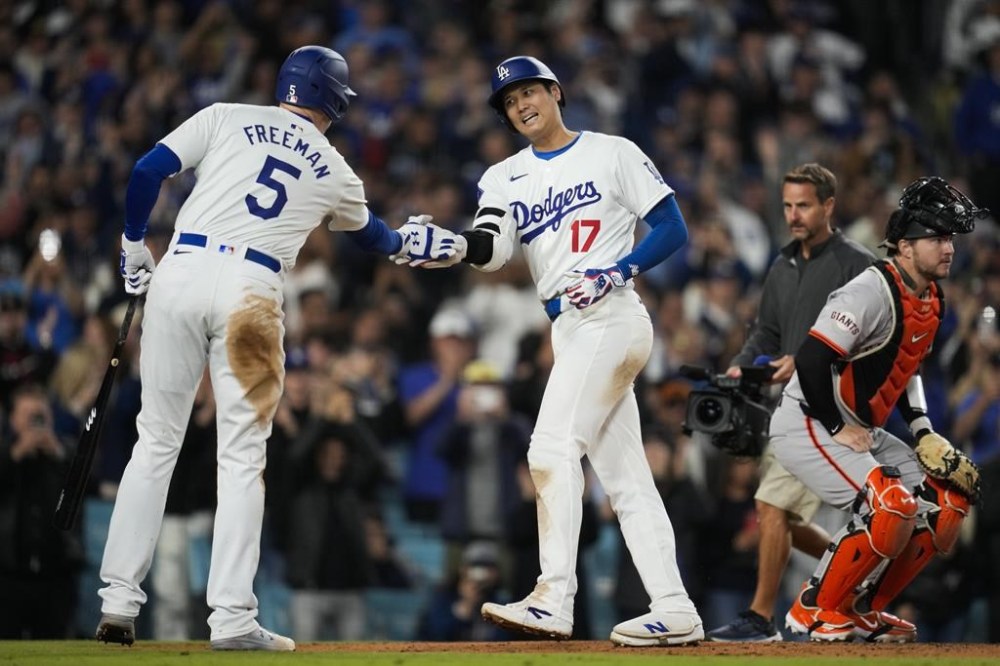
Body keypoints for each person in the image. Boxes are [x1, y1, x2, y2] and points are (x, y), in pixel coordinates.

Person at [95, 45, 460, 652]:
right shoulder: (337, 168)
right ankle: (232, 618)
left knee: (156, 441)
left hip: (182, 270)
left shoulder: (224, 114)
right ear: (334, 102)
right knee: (241, 458)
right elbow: (377, 238)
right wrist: (414, 241)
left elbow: (144, 173)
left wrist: (134, 245)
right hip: (253, 292)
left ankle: (117, 605)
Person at [411, 55, 703, 646]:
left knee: (549, 448)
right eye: (509, 102)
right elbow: (491, 249)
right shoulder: (504, 176)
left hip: (610, 314)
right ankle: (675, 607)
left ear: (555, 91)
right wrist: (448, 244)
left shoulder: (612, 152)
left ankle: (554, 595)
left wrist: (618, 272)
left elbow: (673, 227)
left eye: (527, 92)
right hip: (568, 327)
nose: (520, 105)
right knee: (627, 481)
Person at [772, 176, 985, 642]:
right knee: (892, 505)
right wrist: (834, 425)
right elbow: (811, 357)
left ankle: (862, 607)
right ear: (905, 246)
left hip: (854, 424)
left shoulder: (930, 298)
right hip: (809, 418)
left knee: (948, 501)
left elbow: (906, 367)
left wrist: (924, 429)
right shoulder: (871, 289)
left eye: (950, 238)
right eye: (938, 238)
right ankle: (815, 608)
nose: (949, 248)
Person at [706, 164, 876, 642]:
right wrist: (742, 363)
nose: (794, 215)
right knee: (780, 516)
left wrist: (802, 362)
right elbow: (767, 330)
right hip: (790, 406)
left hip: (835, 405)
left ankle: (761, 618)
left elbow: (871, 338)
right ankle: (855, 586)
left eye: (804, 205)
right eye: (787, 205)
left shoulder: (856, 265)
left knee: (770, 506)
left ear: (828, 206)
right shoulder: (783, 265)